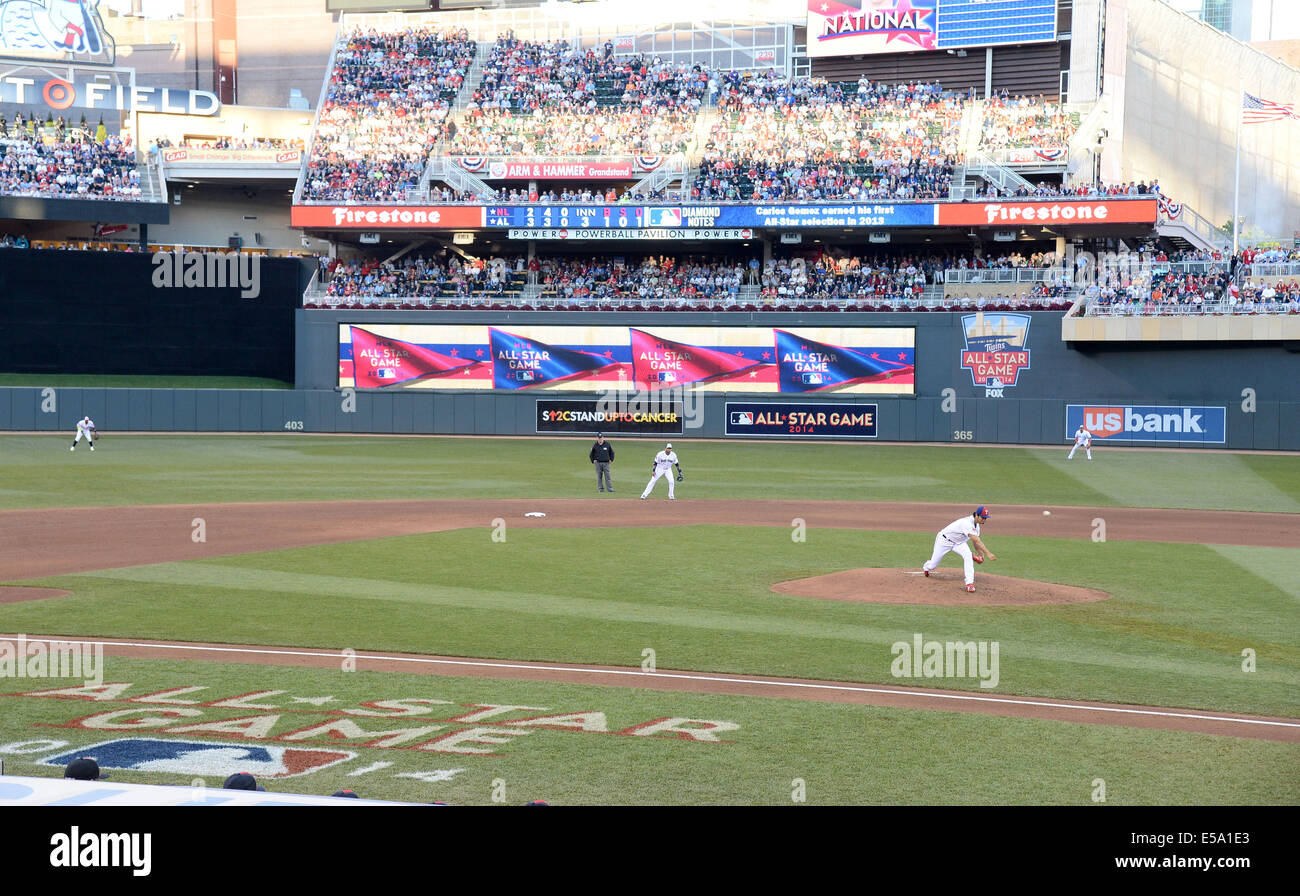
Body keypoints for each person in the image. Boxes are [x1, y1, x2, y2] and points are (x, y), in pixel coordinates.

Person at [921, 506, 997, 593]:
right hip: (944, 540)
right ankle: (926, 567)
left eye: (985, 518)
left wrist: (980, 555)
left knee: (968, 556)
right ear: (976, 515)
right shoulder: (967, 523)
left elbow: (975, 543)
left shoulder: (977, 527)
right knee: (933, 565)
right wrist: (988, 553)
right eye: (983, 518)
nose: (984, 520)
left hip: (959, 543)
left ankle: (969, 583)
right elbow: (977, 540)